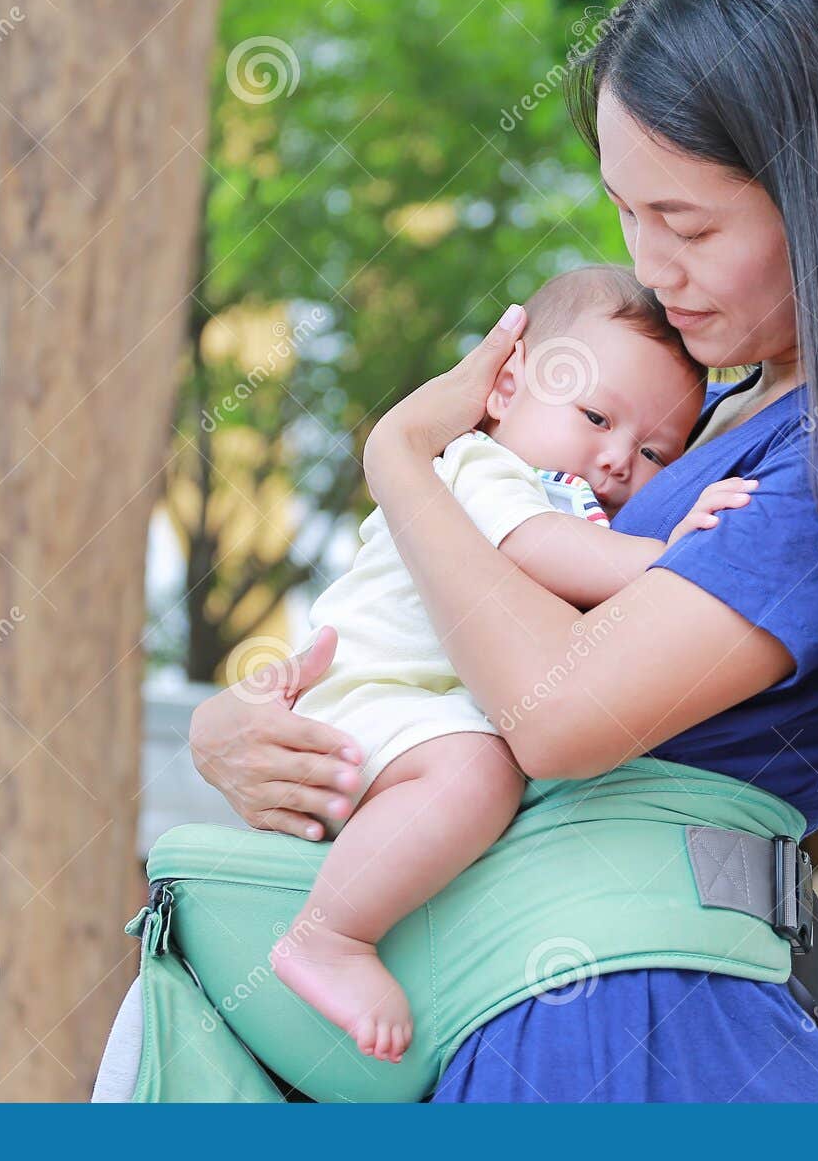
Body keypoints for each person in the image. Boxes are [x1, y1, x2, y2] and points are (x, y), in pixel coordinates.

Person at [94, 0, 818, 1103]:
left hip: (636, 1015)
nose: (653, 268)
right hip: (525, 998)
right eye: (626, 213)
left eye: (692, 225)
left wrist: (402, 454)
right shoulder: (691, 412)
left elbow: (556, 715)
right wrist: (253, 738)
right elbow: (459, 652)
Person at [271, 264, 757, 1063]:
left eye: (656, 453)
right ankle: (329, 936)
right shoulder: (477, 468)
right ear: (503, 390)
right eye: (596, 415)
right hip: (375, 692)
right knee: (478, 776)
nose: (615, 458)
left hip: (417, 708)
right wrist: (667, 555)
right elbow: (539, 547)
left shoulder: (577, 502)